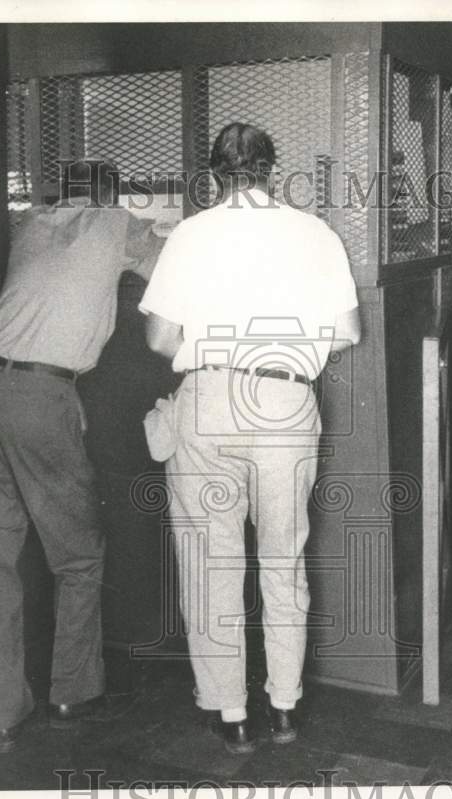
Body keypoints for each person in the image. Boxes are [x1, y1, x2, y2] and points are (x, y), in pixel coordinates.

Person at [139, 123, 360, 754]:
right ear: (270, 171)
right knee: (283, 561)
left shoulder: (190, 234)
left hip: (210, 400)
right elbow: (347, 331)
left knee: (212, 563)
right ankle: (285, 706)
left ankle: (231, 712)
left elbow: (159, 339)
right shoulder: (315, 232)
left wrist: (216, 349)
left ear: (214, 175)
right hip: (287, 403)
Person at [0, 161, 166, 753]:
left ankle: (5, 715)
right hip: (41, 399)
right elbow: (171, 270)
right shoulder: (117, 222)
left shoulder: (30, 223)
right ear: (111, 196)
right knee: (78, 556)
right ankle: (74, 691)